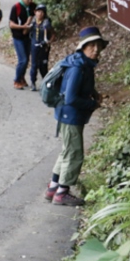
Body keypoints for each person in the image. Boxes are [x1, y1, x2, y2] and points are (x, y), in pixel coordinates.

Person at [44, 26, 107, 206]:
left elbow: (78, 88)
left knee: (67, 151)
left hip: (68, 115)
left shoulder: (82, 64)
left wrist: (93, 92)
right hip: (70, 116)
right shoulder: (78, 67)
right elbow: (71, 98)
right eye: (91, 45)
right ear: (83, 47)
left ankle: (53, 188)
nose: (95, 49)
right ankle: (62, 193)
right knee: (74, 153)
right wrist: (93, 104)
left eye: (98, 45)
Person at [9, 0, 36, 89]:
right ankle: (16, 80)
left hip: (28, 37)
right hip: (18, 37)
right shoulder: (16, 7)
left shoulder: (33, 6)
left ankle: (22, 78)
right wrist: (23, 26)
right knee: (23, 60)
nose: (30, 1)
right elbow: (11, 24)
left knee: (26, 59)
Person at [28, 4, 55, 91]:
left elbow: (53, 35)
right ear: (35, 12)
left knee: (43, 66)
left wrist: (48, 42)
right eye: (38, 11)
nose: (40, 14)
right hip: (34, 46)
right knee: (34, 65)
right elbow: (26, 32)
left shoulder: (47, 23)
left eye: (42, 12)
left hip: (44, 48)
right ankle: (33, 82)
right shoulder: (32, 22)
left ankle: (45, 83)